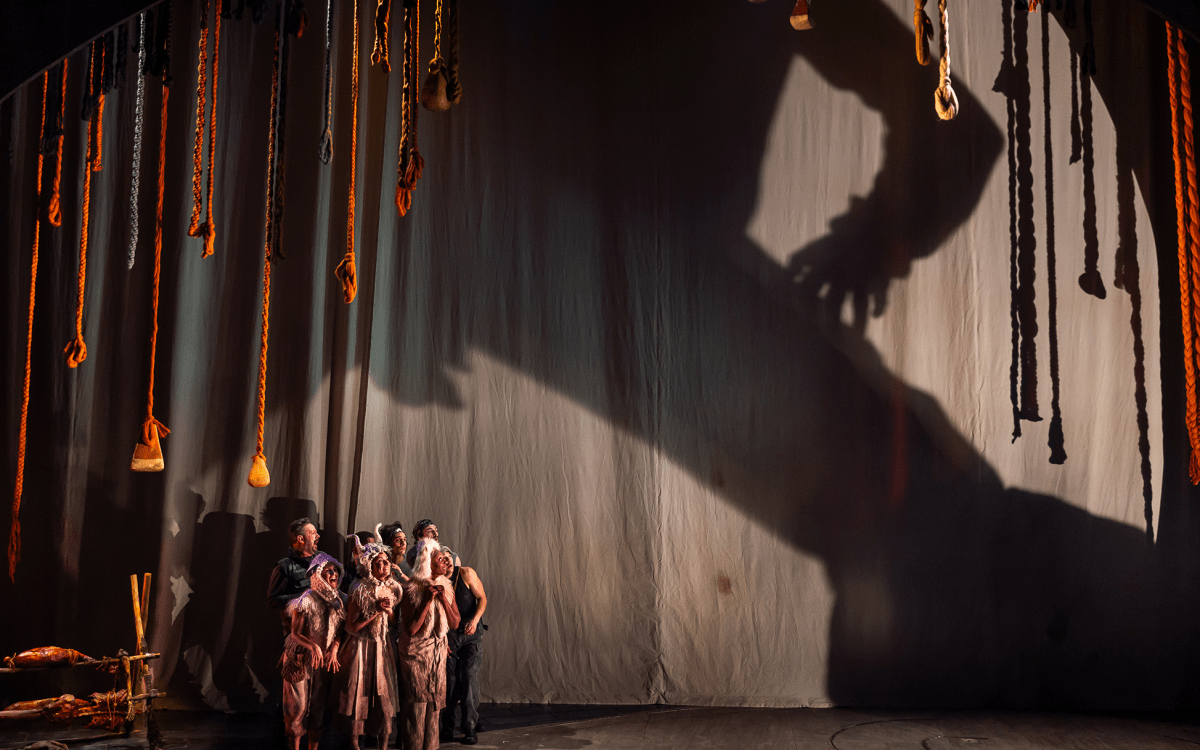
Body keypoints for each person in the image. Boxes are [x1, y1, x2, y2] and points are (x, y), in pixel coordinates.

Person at [333, 528, 404, 750]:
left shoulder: (392, 588)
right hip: (360, 648)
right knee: (358, 694)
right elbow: (351, 626)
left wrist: (389, 612)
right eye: (378, 563)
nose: (383, 567)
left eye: (385, 562)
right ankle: (355, 743)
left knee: (384, 695)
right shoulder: (359, 589)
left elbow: (392, 624)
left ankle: (383, 744)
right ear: (369, 566)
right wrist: (374, 611)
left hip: (382, 647)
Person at [398, 542, 460, 750]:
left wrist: (443, 598)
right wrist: (426, 602)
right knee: (416, 708)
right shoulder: (412, 589)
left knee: (434, 710)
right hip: (415, 655)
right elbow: (411, 630)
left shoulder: (446, 585)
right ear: (425, 561)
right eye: (438, 556)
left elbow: (455, 623)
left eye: (444, 556)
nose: (444, 559)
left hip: (437, 654)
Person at [280, 553, 345, 750]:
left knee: (317, 708)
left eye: (335, 570)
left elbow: (339, 632)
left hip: (321, 662)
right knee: (297, 709)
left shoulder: (339, 602)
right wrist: (313, 645)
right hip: (300, 659)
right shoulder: (306, 600)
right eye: (328, 570)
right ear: (318, 574)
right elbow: (295, 633)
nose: (333, 574)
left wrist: (333, 650)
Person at [440, 548, 487, 745]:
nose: (447, 561)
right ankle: (447, 727)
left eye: (449, 557)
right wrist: (442, 640)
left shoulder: (466, 573)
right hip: (449, 638)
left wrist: (475, 620)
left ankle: (469, 726)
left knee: (468, 677)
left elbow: (482, 599)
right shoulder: (436, 582)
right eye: (442, 559)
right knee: (448, 683)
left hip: (470, 635)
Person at [268, 518, 321, 633]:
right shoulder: (284, 566)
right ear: (301, 538)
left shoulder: (322, 560)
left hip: (322, 628)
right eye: (313, 533)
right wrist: (302, 597)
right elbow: (272, 600)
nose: (318, 536)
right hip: (298, 632)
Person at [342, 531, 377, 595]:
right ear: (355, 550)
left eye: (374, 548)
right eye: (368, 549)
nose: (373, 552)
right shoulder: (343, 574)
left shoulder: (378, 570)